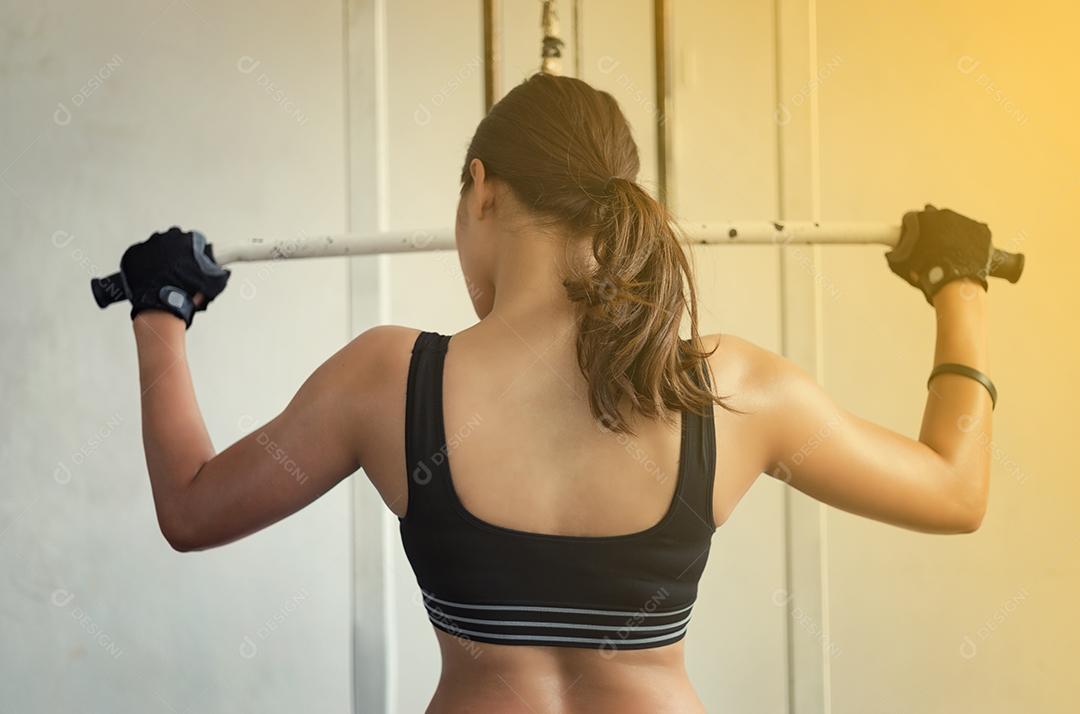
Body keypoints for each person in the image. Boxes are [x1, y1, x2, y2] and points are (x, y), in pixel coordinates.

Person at [123, 73, 996, 713]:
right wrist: (958, 285)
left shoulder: (389, 379)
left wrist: (161, 309)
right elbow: (954, 489)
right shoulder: (725, 388)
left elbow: (192, 508)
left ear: (480, 189)